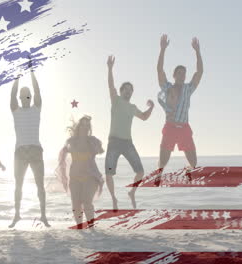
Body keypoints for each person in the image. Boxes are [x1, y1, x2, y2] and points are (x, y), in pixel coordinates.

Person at [104, 56, 154, 210]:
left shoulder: (132, 107)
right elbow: (111, 85)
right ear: (121, 92)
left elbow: (144, 117)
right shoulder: (116, 100)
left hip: (127, 143)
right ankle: (114, 199)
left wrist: (151, 107)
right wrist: (110, 69)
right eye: (125, 89)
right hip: (114, 142)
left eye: (130, 90)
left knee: (140, 171)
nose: (128, 91)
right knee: (109, 173)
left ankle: (132, 192)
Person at [154, 34, 204, 186]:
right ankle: (158, 176)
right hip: (170, 127)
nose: (182, 75)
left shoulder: (189, 89)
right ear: (174, 75)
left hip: (184, 128)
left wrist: (197, 51)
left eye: (184, 73)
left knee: (194, 162)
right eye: (180, 73)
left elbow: (199, 72)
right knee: (163, 161)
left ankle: (188, 171)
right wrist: (162, 49)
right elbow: (159, 70)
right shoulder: (168, 87)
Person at [9, 57, 50, 228]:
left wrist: (31, 71)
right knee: (18, 185)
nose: (25, 97)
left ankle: (43, 216)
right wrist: (18, 75)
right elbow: (12, 94)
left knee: (40, 185)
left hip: (35, 150)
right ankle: (17, 215)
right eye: (22, 96)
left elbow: (38, 89)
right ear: (20, 97)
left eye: (28, 95)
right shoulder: (16, 110)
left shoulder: (36, 108)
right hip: (20, 152)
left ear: (30, 97)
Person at [56, 115, 104, 227]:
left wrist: (97, 147)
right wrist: (65, 150)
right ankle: (79, 227)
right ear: (78, 127)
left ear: (89, 128)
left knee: (87, 202)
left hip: (91, 176)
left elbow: (101, 150)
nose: (85, 128)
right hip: (75, 177)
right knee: (76, 205)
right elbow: (64, 150)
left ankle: (91, 227)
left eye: (87, 126)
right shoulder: (71, 141)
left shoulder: (93, 140)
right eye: (82, 125)